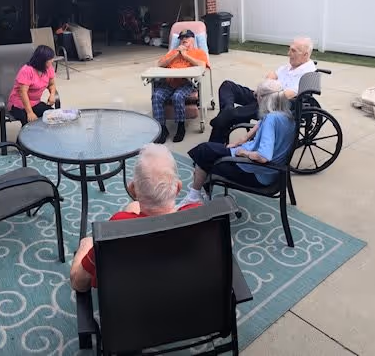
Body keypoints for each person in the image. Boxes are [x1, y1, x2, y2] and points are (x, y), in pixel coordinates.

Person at [70, 143, 202, 292]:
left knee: (87, 241)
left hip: (132, 310)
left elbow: (79, 284)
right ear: (178, 188)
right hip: (186, 302)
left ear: (132, 190)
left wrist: (85, 246)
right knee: (132, 209)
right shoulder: (199, 217)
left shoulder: (116, 228)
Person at [181, 79, 295, 205]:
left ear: (263, 98)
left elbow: (263, 156)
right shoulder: (285, 113)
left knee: (204, 154)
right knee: (207, 152)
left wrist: (243, 153)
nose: (256, 99)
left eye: (256, 96)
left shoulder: (271, 119)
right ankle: (200, 193)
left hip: (257, 173)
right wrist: (243, 139)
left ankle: (194, 197)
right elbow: (261, 123)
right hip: (267, 170)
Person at [208, 36, 315, 143]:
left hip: (273, 105)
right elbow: (273, 74)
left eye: (293, 51)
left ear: (305, 54)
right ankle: (225, 114)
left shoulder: (306, 73)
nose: (288, 53)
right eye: (290, 49)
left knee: (231, 115)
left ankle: (218, 135)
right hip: (264, 95)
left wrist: (266, 94)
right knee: (227, 86)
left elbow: (289, 94)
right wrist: (266, 86)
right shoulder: (294, 64)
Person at [152, 29, 210, 144]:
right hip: (169, 82)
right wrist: (175, 55)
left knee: (177, 97)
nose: (184, 40)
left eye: (187, 38)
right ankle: (162, 129)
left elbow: (202, 65)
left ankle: (181, 126)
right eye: (182, 38)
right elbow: (158, 65)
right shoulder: (173, 52)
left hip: (186, 83)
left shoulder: (198, 53)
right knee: (156, 96)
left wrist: (185, 55)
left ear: (193, 40)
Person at [7, 44, 57, 124]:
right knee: (29, 121)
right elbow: (23, 92)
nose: (52, 60)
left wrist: (52, 95)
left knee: (52, 115)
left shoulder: (49, 68)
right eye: (50, 59)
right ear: (42, 60)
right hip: (20, 104)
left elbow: (51, 84)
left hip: (35, 103)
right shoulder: (27, 71)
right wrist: (29, 112)